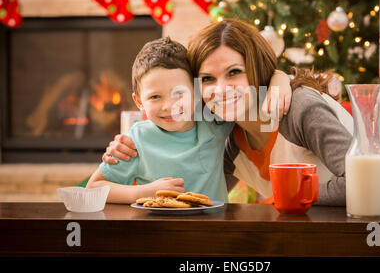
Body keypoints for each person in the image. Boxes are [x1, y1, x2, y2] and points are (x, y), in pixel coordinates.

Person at [87, 36, 292, 204]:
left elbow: (253, 89)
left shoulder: (214, 120)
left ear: (196, 92)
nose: (169, 106)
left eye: (179, 93)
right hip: (159, 235)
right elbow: (93, 188)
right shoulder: (135, 141)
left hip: (214, 232)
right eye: (155, 97)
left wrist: (280, 78)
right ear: (139, 102)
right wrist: (144, 191)